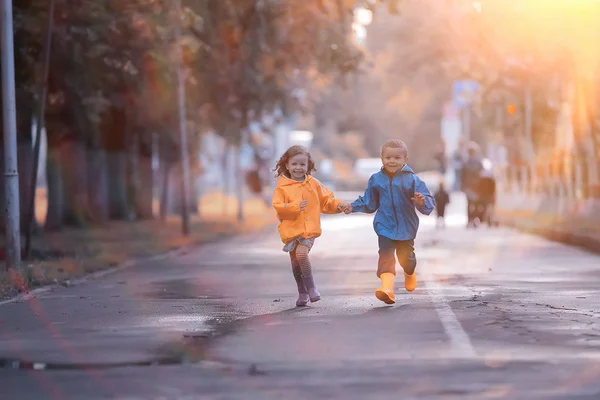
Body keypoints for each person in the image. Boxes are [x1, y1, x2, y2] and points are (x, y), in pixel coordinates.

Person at [341, 139, 435, 304]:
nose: (392, 161)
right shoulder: (376, 179)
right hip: (384, 225)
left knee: (407, 258)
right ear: (382, 159)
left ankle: (409, 272)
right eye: (388, 157)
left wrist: (422, 202)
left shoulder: (412, 180)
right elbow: (369, 201)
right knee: (385, 255)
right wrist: (352, 206)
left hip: (406, 227)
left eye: (397, 158)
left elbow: (427, 199)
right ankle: (387, 289)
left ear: (405, 160)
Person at [272, 145, 350, 307]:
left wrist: (339, 205)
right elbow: (279, 208)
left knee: (301, 255)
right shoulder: (282, 187)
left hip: (308, 230)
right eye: (294, 164)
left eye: (302, 164)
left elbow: (327, 201)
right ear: (287, 165)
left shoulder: (313, 184)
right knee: (295, 263)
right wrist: (294, 207)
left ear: (308, 166)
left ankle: (312, 288)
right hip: (291, 231)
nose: (298, 168)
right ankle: (302, 292)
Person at [461, 142, 484, 228]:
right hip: (472, 187)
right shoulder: (471, 162)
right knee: (473, 204)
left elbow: (462, 177)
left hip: (474, 187)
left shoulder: (469, 162)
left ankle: (472, 219)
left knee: (473, 204)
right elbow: (463, 176)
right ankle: (472, 219)